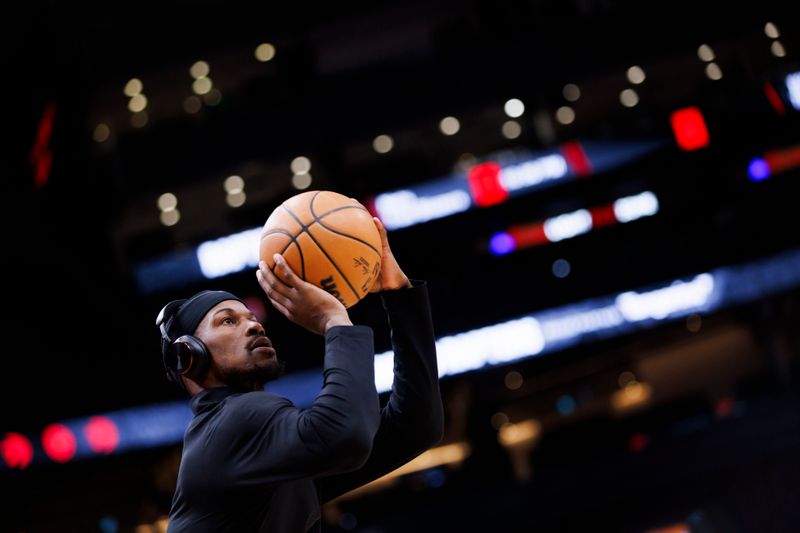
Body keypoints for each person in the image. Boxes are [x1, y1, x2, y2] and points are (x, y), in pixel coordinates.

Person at [155, 217, 444, 532]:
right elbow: (347, 433)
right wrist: (334, 321)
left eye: (251, 317)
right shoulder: (232, 421)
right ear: (189, 356)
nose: (255, 325)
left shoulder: (263, 449)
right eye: (228, 321)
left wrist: (399, 294)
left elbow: (416, 426)